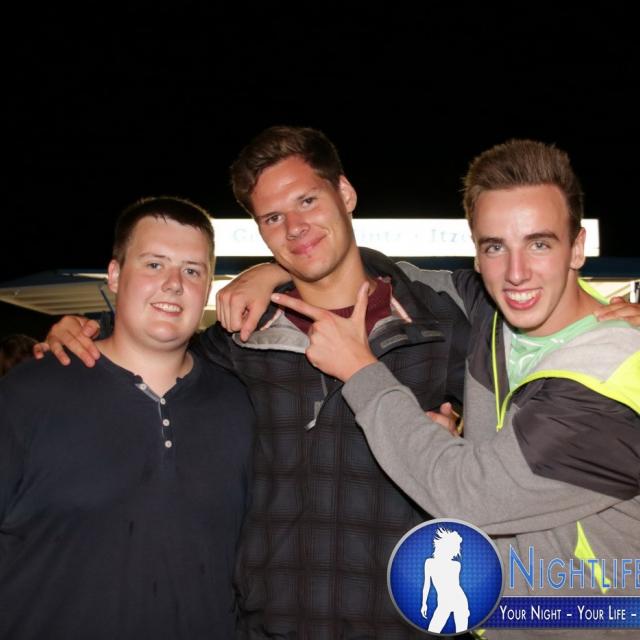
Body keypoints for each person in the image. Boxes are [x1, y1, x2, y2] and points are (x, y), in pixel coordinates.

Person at [38, 127, 471, 638]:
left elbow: (515, 440)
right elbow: (151, 355)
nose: (296, 227)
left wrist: (459, 442)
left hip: (407, 624)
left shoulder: (439, 319)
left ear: (345, 193)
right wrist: (85, 332)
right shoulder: (240, 338)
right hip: (272, 625)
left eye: (307, 200)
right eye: (273, 217)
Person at [252, 140, 640, 638]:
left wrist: (361, 371)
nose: (516, 272)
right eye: (494, 246)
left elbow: (469, 495)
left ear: (578, 247)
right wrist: (272, 269)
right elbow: (387, 273)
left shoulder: (613, 375)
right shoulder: (490, 314)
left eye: (539, 244)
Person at [0, 197, 254, 639]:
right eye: (154, 264)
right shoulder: (29, 394)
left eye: (192, 271)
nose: (173, 284)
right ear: (115, 276)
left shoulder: (239, 405)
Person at [421, 528, 469, 634]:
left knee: (461, 633)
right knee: (432, 631)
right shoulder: (429, 563)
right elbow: (426, 585)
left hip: (459, 601)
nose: (455, 551)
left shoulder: (456, 565)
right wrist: (424, 603)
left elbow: (456, 586)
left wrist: (465, 609)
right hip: (443, 603)